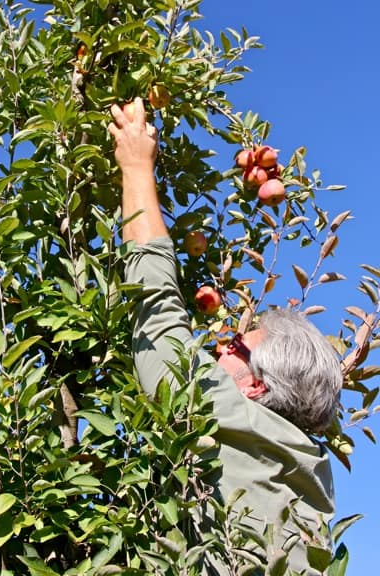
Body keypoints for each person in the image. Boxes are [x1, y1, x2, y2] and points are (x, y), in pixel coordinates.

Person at [108, 97, 343, 574]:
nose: (220, 343)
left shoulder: (245, 429)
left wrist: (135, 166)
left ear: (258, 386)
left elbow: (157, 311)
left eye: (237, 346)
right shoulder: (308, 477)